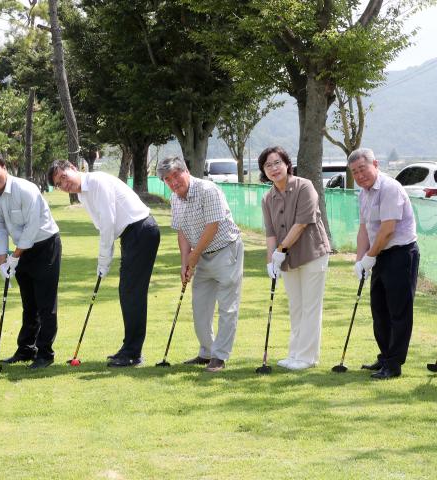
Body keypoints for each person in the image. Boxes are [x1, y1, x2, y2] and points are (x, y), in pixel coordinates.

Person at [46, 160, 160, 367]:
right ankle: (130, 349)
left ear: (73, 167)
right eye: (59, 184)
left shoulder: (97, 182)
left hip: (141, 230)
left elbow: (108, 222)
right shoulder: (83, 193)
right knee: (127, 292)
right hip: (132, 234)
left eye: (64, 177)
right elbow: (103, 226)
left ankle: (133, 353)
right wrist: (104, 259)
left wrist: (104, 260)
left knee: (131, 293)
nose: (64, 185)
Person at [157, 156, 243, 373]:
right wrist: (185, 263)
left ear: (185, 170)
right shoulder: (176, 199)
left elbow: (212, 226)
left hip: (226, 250)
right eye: (168, 179)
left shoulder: (208, 190)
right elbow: (182, 232)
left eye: (176, 175)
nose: (173, 182)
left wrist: (193, 258)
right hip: (201, 254)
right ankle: (207, 352)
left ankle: (220, 357)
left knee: (227, 307)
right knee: (200, 308)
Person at [0, 152, 61, 369]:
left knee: (46, 303)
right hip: (21, 250)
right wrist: (2, 262)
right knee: (29, 303)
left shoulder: (25, 189)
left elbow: (33, 227)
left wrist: (14, 257)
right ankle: (26, 349)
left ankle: (45, 353)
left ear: (4, 167)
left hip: (45, 245)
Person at [348, 147, 419, 379]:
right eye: (355, 172)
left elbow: (388, 229)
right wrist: (360, 260)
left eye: (363, 169)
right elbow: (363, 229)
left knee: (398, 310)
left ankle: (394, 363)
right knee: (379, 309)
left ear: (375, 164)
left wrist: (369, 257)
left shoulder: (390, 188)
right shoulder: (364, 193)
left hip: (400, 254)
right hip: (379, 255)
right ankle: (385, 355)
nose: (359, 175)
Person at [258, 147, 331, 371]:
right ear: (263, 170)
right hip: (287, 258)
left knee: (310, 306)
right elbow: (270, 233)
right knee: (296, 306)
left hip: (311, 254)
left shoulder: (304, 186)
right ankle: (295, 353)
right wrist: (271, 260)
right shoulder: (268, 197)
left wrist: (280, 250)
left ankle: (307, 357)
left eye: (277, 162)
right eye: (268, 165)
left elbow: (301, 224)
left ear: (287, 164)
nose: (274, 168)